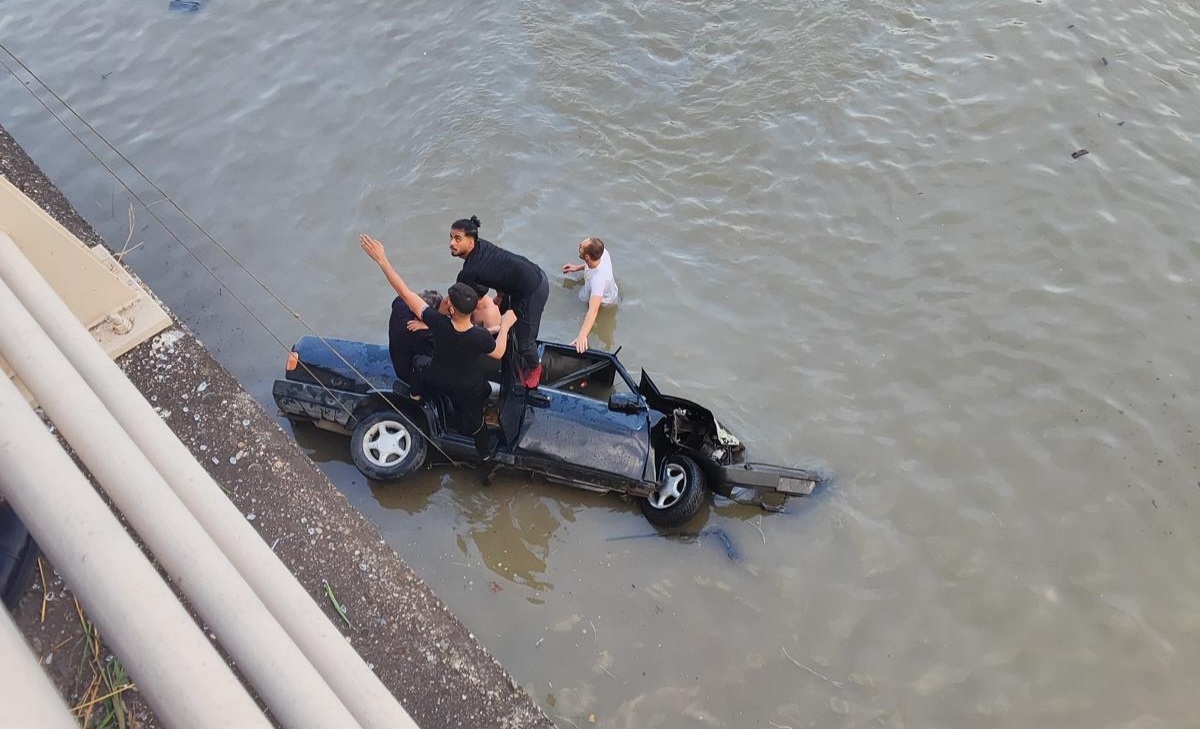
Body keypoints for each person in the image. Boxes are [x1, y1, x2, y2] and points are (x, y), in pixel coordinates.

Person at [361, 233, 517, 457]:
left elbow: (405, 293)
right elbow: (499, 352)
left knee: (418, 362)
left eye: (447, 300)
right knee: (476, 422)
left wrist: (382, 259)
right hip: (467, 386)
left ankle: (415, 395)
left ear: (451, 309)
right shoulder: (479, 337)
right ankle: (484, 454)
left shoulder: (437, 324)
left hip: (437, 375)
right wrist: (505, 326)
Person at [449, 215, 548, 388]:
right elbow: (499, 270)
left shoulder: (469, 272)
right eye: (451, 237)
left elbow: (454, 304)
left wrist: (433, 320)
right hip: (528, 276)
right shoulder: (481, 245)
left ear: (471, 242)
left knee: (525, 342)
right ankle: (508, 343)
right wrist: (500, 296)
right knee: (510, 323)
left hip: (533, 289)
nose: (451, 243)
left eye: (458, 239)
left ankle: (535, 367)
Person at [562, 236, 619, 353]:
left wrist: (582, 335)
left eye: (581, 247)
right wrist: (577, 268)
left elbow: (593, 310)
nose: (579, 246)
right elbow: (591, 264)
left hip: (605, 303)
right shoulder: (602, 253)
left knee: (591, 313)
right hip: (607, 288)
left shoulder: (598, 280)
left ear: (587, 257)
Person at [388, 289, 441, 382]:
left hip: (397, 356)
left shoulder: (400, 302)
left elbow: (400, 298)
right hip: (408, 375)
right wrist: (430, 326)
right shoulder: (422, 333)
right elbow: (446, 336)